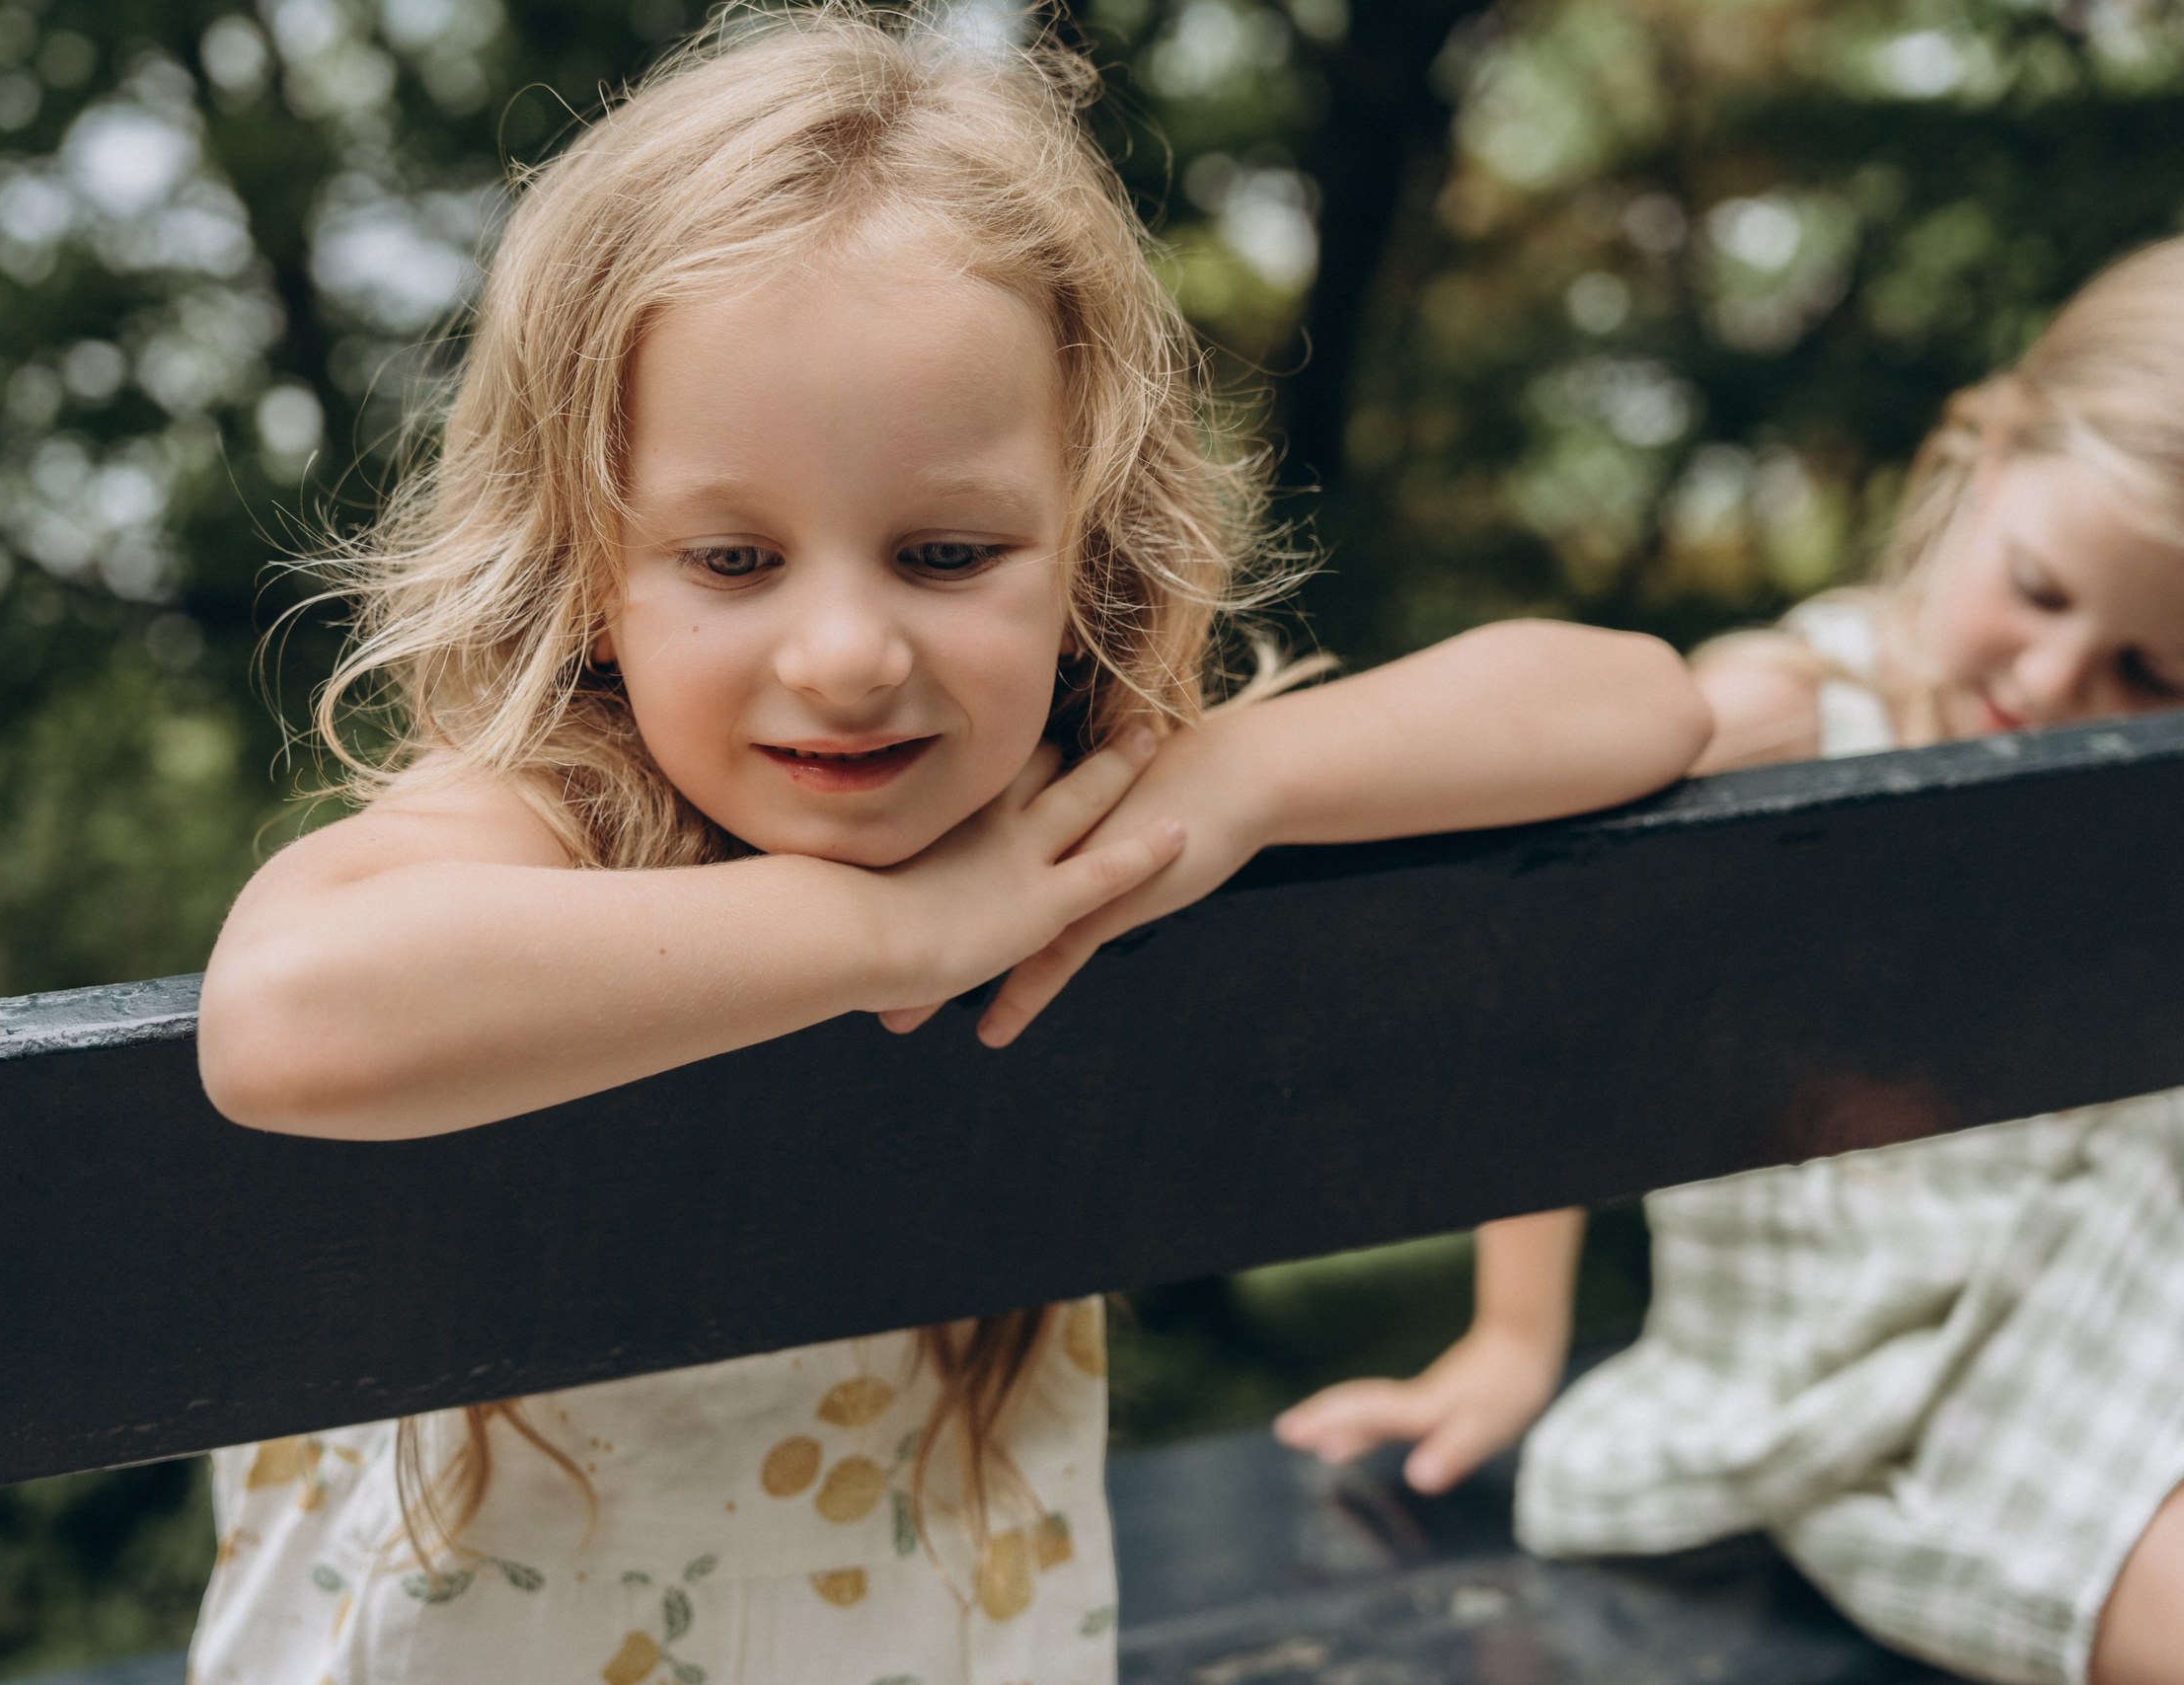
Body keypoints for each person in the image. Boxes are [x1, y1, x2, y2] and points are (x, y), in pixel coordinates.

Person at [187, 9, 1709, 1681]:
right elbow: (285, 1012)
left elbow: (1636, 705)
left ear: (1086, 552)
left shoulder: (1078, 812)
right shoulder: (557, 814)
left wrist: (1249, 779)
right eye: (734, 561)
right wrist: (897, 934)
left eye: (945, 550)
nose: (845, 656)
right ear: (587, 572)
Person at [1276, 236, 2184, 1685]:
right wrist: (1516, 1337)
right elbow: (1565, 972)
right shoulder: (1798, 712)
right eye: (2039, 589)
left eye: (2155, 672)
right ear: (1983, 458)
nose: (2063, 682)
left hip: (2131, 1272)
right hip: (1897, 1372)